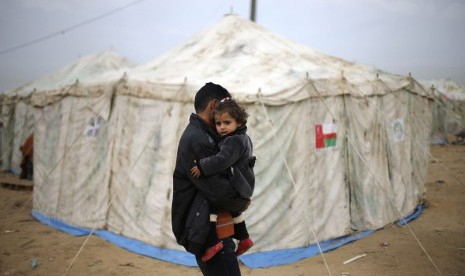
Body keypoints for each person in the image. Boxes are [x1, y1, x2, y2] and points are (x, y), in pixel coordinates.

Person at [172, 82, 251, 276]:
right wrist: (241, 201)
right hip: (206, 232)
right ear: (213, 105)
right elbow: (218, 189)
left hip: (215, 227)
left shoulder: (209, 135)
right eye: (224, 104)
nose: (223, 126)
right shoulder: (197, 139)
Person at [190, 97, 255, 262]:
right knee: (234, 209)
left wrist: (203, 166)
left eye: (227, 122)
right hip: (243, 186)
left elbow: (222, 160)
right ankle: (244, 238)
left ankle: (213, 242)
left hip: (237, 187)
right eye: (218, 124)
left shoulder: (233, 141)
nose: (222, 127)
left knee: (212, 202)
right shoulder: (244, 138)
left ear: (239, 122)